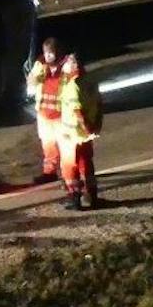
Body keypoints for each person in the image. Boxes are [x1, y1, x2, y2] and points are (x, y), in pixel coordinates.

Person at [56, 53, 103, 211]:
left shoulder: (72, 86)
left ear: (74, 66)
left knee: (70, 166)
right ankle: (92, 195)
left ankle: (74, 197)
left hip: (73, 133)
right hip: (86, 134)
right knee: (87, 164)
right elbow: (99, 104)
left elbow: (77, 111)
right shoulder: (91, 81)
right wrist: (95, 125)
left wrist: (86, 126)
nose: (64, 68)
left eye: (67, 64)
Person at [26, 37, 69, 184]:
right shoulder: (40, 65)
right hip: (44, 114)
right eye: (47, 53)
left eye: (52, 53)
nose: (49, 56)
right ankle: (49, 172)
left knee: (66, 146)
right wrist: (35, 77)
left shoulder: (68, 66)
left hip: (62, 115)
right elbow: (31, 84)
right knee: (48, 145)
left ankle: (69, 174)